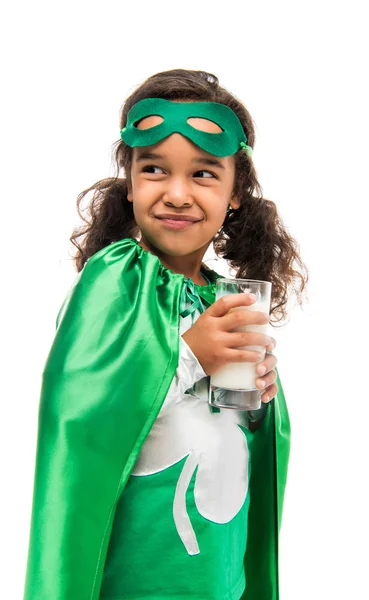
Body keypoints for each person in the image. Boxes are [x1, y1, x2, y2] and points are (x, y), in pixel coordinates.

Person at [23, 69, 309, 600]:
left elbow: (224, 428)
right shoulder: (117, 278)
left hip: (216, 575)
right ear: (129, 182)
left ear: (235, 194)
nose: (177, 194)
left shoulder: (227, 297)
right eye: (154, 169)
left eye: (204, 174)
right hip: (139, 578)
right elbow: (82, 414)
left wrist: (261, 399)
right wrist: (191, 354)